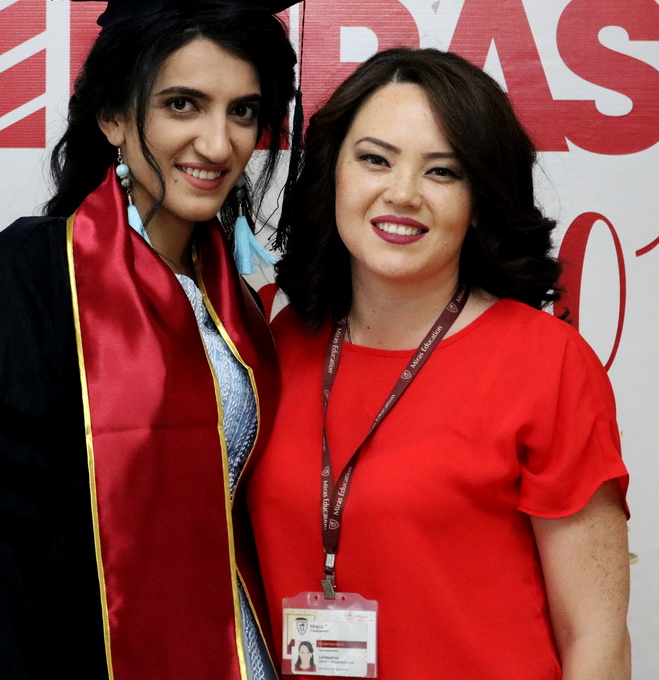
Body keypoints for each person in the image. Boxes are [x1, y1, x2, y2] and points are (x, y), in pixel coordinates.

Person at [0, 0, 337, 680]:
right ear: (111, 116)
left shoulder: (238, 304)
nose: (218, 143)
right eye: (182, 104)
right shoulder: (37, 273)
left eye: (242, 111)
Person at [248, 48, 631, 679]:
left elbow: (596, 638)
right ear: (333, 173)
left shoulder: (547, 362)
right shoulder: (272, 342)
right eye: (375, 159)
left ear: (479, 200)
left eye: (442, 172)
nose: (402, 194)